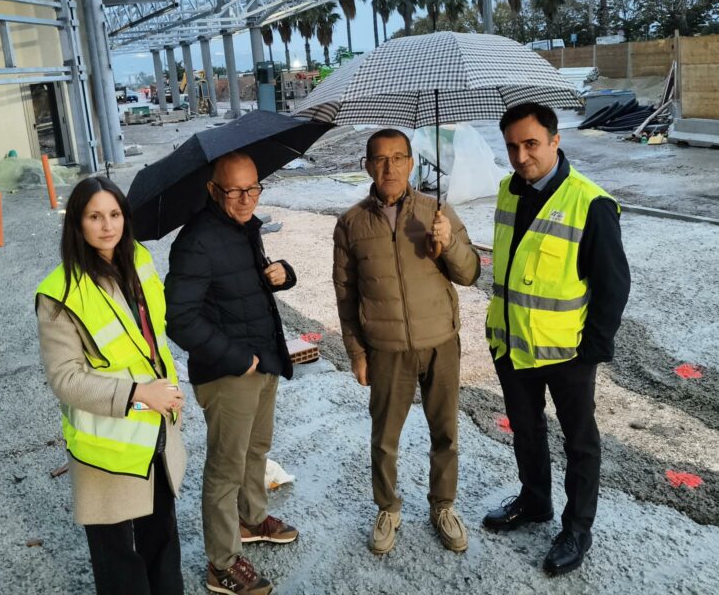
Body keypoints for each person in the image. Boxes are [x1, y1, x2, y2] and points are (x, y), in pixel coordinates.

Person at [482, 102, 630, 576]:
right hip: (512, 346)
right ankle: (535, 501)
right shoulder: (508, 191)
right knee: (526, 432)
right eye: (512, 146)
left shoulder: (591, 203)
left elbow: (613, 285)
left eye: (531, 144)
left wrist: (593, 349)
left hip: (567, 353)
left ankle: (577, 528)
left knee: (579, 443)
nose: (521, 156)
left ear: (555, 141)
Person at [35, 176, 186, 595]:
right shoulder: (59, 293)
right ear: (77, 224)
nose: (108, 226)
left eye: (115, 214)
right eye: (95, 216)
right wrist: (141, 395)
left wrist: (166, 391)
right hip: (107, 447)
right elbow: (65, 380)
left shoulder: (138, 260)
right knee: (117, 561)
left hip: (153, 425)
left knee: (162, 541)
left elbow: (151, 338)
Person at [333, 128, 481, 555]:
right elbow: (345, 293)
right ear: (367, 165)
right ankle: (388, 507)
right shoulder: (351, 223)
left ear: (412, 163)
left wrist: (448, 243)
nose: (390, 167)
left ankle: (443, 505)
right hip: (386, 348)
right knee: (384, 438)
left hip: (440, 343)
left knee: (445, 434)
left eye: (399, 158)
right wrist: (357, 353)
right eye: (380, 159)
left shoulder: (437, 211)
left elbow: (470, 274)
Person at [166, 151, 298, 595]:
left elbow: (244, 286)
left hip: (262, 360)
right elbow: (180, 320)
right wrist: (238, 359)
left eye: (254, 188)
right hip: (228, 373)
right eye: (235, 191)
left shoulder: (245, 228)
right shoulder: (196, 241)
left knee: (256, 451)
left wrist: (285, 275)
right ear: (212, 190)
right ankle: (221, 564)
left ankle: (252, 519)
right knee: (225, 468)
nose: (247, 199)